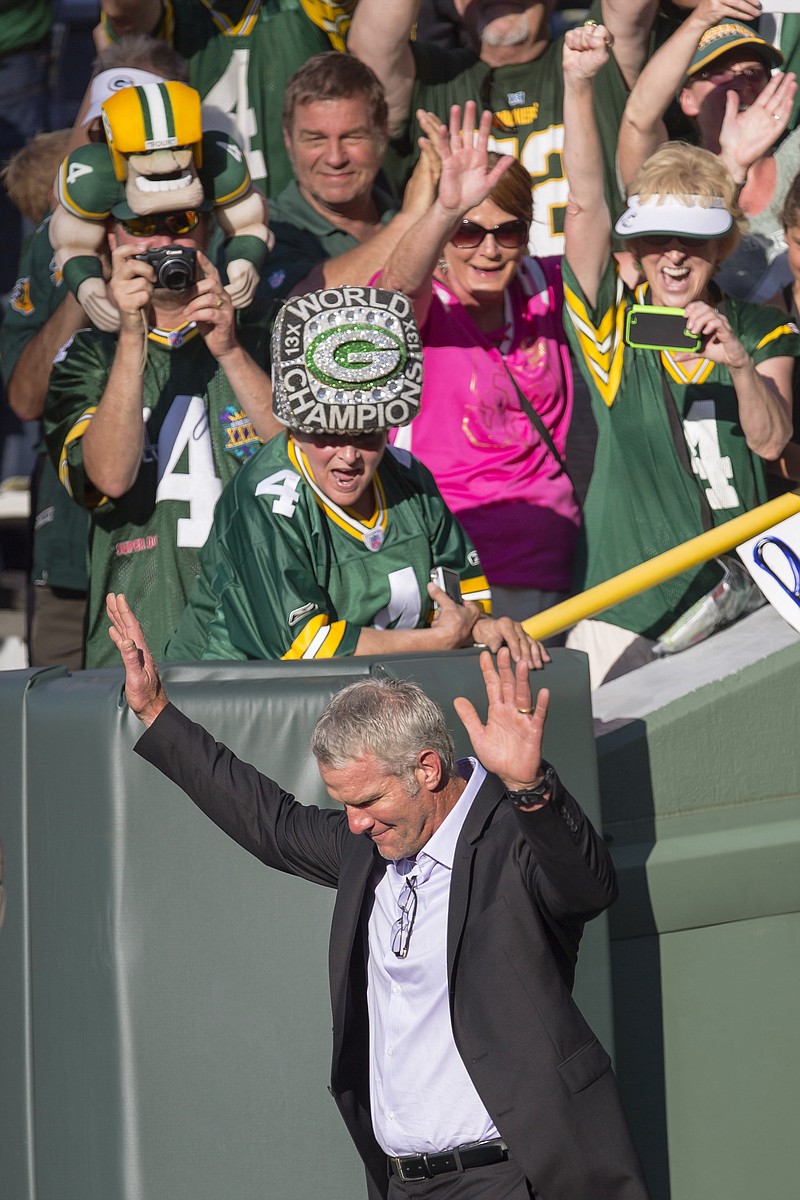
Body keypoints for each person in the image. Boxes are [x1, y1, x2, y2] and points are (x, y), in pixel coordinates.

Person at [108, 590, 650, 1199]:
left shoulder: (513, 838)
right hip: (399, 1184)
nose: (357, 823)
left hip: (511, 1179)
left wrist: (530, 788)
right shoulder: (368, 848)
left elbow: (587, 886)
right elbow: (272, 824)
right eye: (346, 805)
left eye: (368, 801)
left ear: (426, 769)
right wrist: (156, 710)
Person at [561, 22, 800, 687]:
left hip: (751, 601)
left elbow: (772, 439)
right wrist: (578, 86)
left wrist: (739, 366)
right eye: (657, 237)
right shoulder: (614, 333)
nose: (672, 254)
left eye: (692, 240)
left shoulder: (757, 327)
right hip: (631, 610)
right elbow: (584, 205)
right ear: (635, 248)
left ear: (722, 246)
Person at [166, 284, 545, 665]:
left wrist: (480, 627)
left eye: (366, 436)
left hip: (369, 696)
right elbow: (303, 647)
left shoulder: (410, 477)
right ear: (295, 425)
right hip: (227, 697)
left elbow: (462, 591)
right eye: (328, 435)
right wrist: (440, 641)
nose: (347, 456)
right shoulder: (265, 501)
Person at [0, 37, 192, 668]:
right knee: (60, 733)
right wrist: (87, 285)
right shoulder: (56, 243)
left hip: (178, 558)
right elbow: (25, 399)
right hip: (72, 553)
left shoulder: (199, 235)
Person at [43, 196, 280, 669]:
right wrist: (131, 336)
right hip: (137, 646)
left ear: (209, 230)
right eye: (142, 225)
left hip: (263, 638)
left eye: (181, 222)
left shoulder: (265, 331)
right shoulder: (88, 355)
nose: (163, 241)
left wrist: (230, 351)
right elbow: (107, 478)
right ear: (111, 240)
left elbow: (309, 463)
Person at [381, 103, 578, 625]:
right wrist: (445, 208)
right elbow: (395, 292)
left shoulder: (545, 285)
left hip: (558, 565)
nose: (489, 250)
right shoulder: (426, 303)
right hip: (453, 572)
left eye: (508, 232)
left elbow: (605, 225)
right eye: (468, 232)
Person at [347, 0, 657, 256]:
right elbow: (372, 46)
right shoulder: (432, 81)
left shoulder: (591, 53)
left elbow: (630, 10)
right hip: (471, 312)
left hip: (590, 307)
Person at [618, 7, 800, 304]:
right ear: (686, 99)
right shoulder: (667, 178)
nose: (740, 84)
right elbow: (639, 117)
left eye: (753, 72)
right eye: (719, 74)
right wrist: (703, 16)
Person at [98, 0, 340, 196]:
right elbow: (124, 11)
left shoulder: (304, 8)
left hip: (311, 232)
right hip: (195, 226)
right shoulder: (174, 13)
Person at [260, 53, 438, 299]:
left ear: (382, 135)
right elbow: (301, 304)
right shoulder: (265, 231)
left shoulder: (395, 214)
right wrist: (412, 222)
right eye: (316, 139)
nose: (335, 158)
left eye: (352, 137)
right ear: (289, 141)